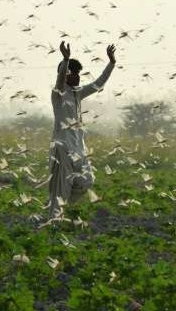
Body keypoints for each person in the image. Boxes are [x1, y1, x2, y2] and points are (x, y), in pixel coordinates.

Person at [48, 41, 116, 220]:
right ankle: (54, 223)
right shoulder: (58, 94)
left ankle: (59, 212)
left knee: (86, 181)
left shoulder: (78, 94)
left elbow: (98, 84)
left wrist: (111, 63)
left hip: (78, 150)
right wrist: (65, 59)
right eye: (73, 73)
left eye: (78, 73)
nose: (77, 76)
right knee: (59, 190)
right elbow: (60, 79)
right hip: (62, 150)